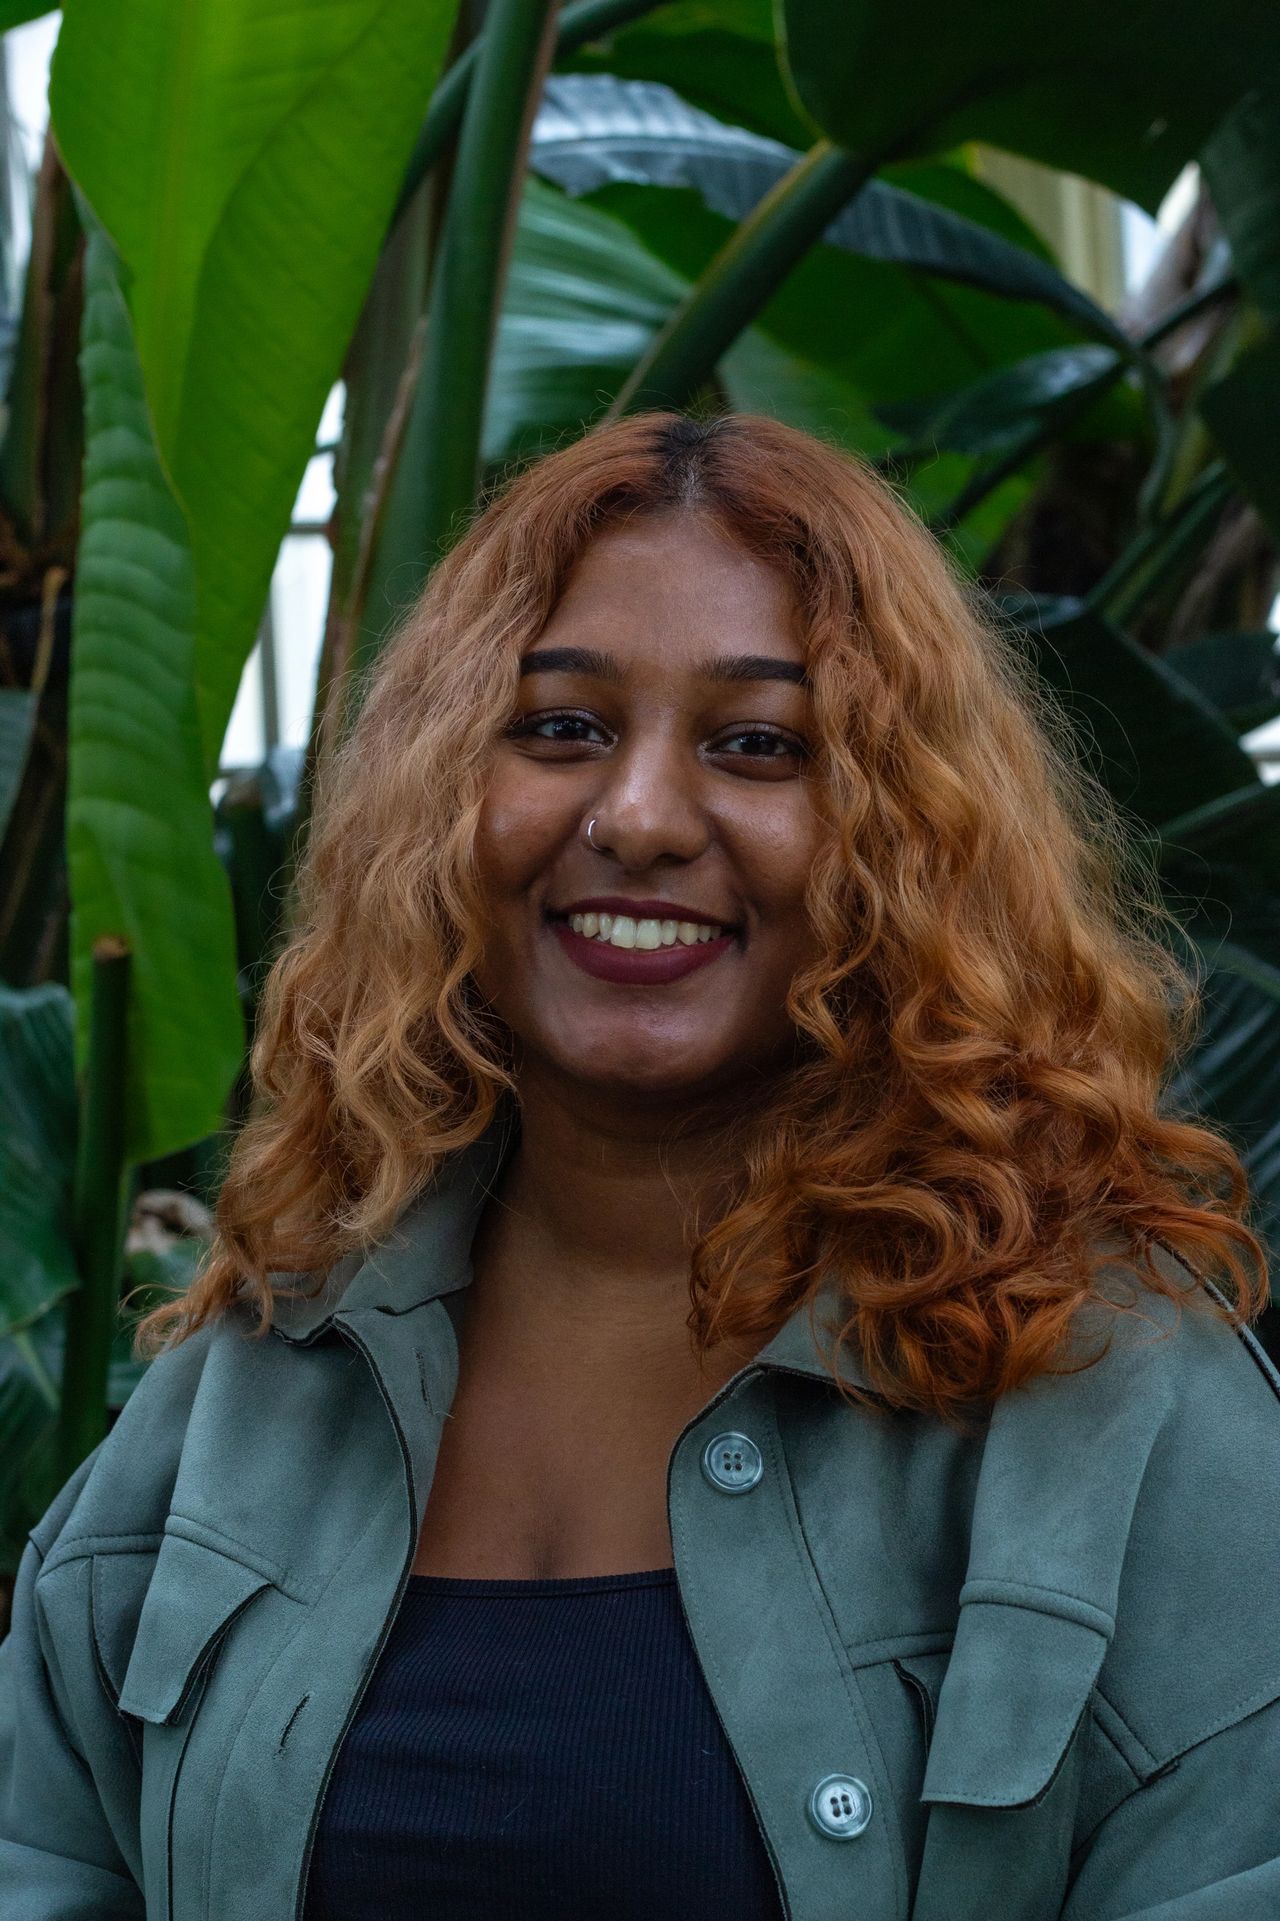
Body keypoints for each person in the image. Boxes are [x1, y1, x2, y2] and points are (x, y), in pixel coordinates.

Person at [2, 409, 1278, 1921]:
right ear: (438, 799)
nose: (640, 816)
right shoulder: (243, 1402)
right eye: (560, 727)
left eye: (759, 745)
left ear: (909, 837)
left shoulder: (1115, 1410)